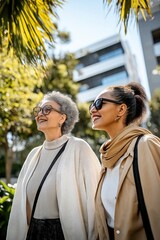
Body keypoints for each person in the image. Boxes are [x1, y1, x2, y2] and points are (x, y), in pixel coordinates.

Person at [7, 91, 101, 240]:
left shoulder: (79, 148)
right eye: (38, 110)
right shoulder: (33, 155)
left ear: (62, 118)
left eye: (47, 109)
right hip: (32, 232)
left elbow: (95, 198)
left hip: (63, 233)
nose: (40, 114)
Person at [89, 81, 160, 240]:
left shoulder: (145, 144)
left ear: (121, 109)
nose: (93, 109)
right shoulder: (107, 157)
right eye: (92, 105)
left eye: (99, 103)